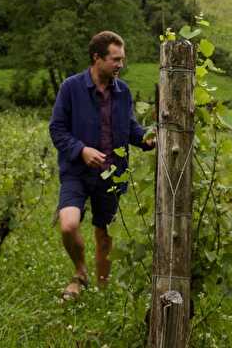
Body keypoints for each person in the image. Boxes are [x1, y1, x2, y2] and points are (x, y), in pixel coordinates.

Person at [49, 31, 154, 299]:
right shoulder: (71, 88)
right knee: (69, 225)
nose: (120, 65)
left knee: (104, 233)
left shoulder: (123, 92)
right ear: (97, 58)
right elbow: (57, 129)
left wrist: (147, 140)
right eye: (115, 59)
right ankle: (81, 270)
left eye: (122, 59)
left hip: (111, 174)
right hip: (77, 171)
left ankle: (102, 290)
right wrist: (81, 150)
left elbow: (130, 128)